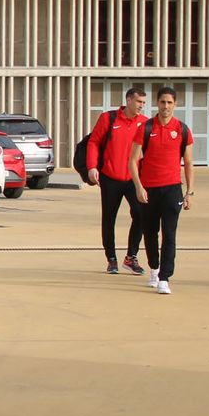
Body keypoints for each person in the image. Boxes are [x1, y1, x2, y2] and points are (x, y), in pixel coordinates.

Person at [129, 87, 194, 295]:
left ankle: (165, 277)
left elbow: (189, 163)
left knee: (170, 234)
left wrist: (189, 192)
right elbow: (132, 160)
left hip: (173, 189)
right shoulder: (146, 127)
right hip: (149, 189)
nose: (166, 106)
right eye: (162, 102)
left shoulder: (182, 130)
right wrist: (138, 186)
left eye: (170, 103)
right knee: (149, 233)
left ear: (175, 105)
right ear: (157, 103)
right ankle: (154, 269)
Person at [86, 86, 149, 275]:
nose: (141, 106)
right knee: (109, 218)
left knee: (141, 215)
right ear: (128, 100)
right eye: (139, 102)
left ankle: (131, 257)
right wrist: (92, 167)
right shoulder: (109, 118)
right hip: (110, 177)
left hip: (134, 179)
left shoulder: (145, 123)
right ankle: (111, 259)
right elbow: (94, 142)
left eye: (144, 103)